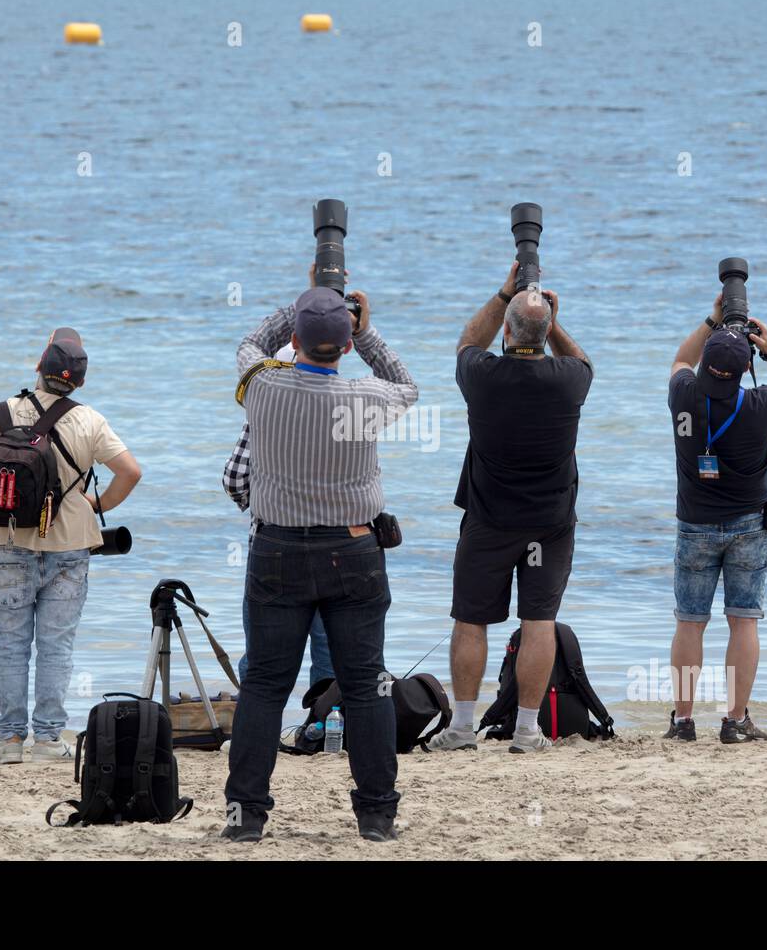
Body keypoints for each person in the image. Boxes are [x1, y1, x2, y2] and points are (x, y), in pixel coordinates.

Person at [223, 274, 416, 844]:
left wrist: (305, 302)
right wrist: (366, 326)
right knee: (367, 686)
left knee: (262, 685)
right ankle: (377, 817)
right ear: (348, 346)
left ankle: (245, 820)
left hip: (277, 548)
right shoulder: (365, 399)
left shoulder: (263, 385)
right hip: (353, 549)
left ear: (297, 342)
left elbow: (249, 345)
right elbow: (406, 385)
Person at [0, 328, 141, 764]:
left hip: (6, 542)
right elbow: (130, 471)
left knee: (10, 646)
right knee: (56, 647)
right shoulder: (90, 420)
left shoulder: (0, 413)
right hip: (70, 547)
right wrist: (94, 504)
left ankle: (10, 742)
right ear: (80, 381)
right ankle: (49, 740)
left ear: (39, 367)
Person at [427, 261, 592, 754]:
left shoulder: (482, 376)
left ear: (506, 331)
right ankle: (525, 730)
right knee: (538, 621)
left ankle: (460, 728)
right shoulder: (569, 380)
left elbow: (466, 342)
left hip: (489, 522)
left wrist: (504, 295)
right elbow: (582, 360)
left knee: (471, 620)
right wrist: (553, 322)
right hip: (550, 526)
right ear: (544, 334)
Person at [665, 295, 767, 743]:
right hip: (748, 525)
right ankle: (734, 720)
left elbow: (680, 359)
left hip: (695, 525)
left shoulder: (683, 393)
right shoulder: (760, 403)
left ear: (706, 364)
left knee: (690, 622)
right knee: (743, 621)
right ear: (747, 370)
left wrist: (712, 317)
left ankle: (684, 722)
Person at [222, 340, 334, 689]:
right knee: (329, 649)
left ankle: (259, 731)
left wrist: (262, 504)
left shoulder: (265, 410)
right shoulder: (344, 405)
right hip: (336, 549)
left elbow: (234, 479)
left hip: (272, 544)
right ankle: (322, 727)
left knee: (263, 652)